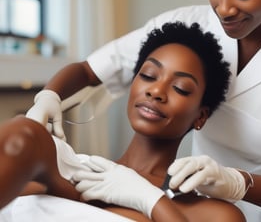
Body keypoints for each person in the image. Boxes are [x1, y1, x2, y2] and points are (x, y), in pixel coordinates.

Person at [25, 0, 261, 221]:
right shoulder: (188, 24)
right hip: (203, 204)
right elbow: (89, 70)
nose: (223, 8)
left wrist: (236, 182)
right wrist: (49, 96)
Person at [1, 22, 245, 221]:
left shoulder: (214, 214)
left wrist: (151, 201)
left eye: (180, 88)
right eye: (148, 76)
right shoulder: (74, 170)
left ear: (200, 116)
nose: (156, 91)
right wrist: (33, 131)